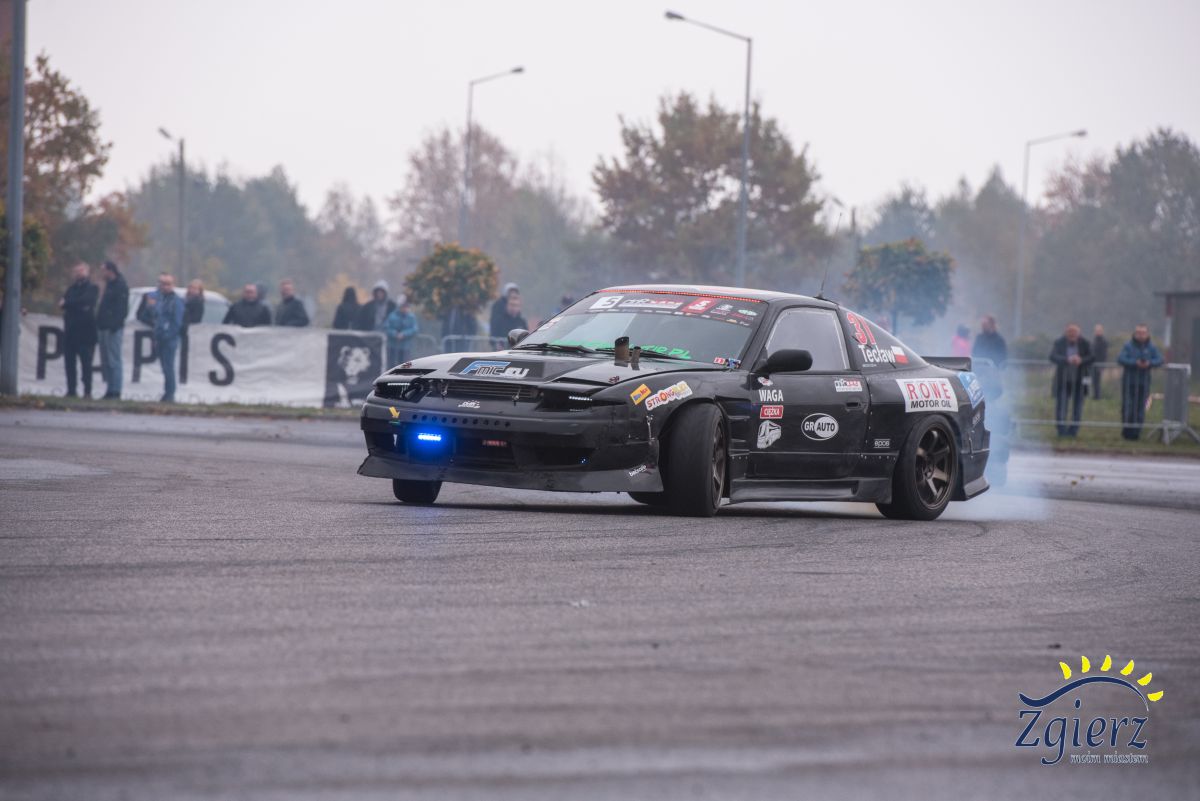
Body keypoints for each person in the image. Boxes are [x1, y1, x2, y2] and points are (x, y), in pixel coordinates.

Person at [137, 273, 185, 402]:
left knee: (168, 367)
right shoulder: (158, 299)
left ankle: (170, 394)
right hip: (159, 337)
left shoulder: (176, 301)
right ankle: (167, 393)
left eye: (168, 284)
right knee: (164, 367)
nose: (165, 287)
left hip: (169, 339)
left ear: (173, 285)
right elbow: (149, 317)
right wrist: (150, 307)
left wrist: (167, 335)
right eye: (163, 284)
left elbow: (177, 323)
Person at [1117, 324, 1164, 440]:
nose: (1141, 335)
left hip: (1144, 382)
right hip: (1129, 382)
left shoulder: (1151, 347)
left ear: (1147, 334)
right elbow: (1121, 358)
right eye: (1138, 333)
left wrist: (1149, 363)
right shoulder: (1128, 346)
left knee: (1140, 408)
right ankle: (1127, 431)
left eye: (1143, 333)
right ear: (1135, 333)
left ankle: (1136, 432)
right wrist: (1135, 363)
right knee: (1128, 406)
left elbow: (1160, 359)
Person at [59, 262, 99, 398]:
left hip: (86, 334)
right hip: (70, 332)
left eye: (81, 270)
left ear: (87, 272)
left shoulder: (93, 288)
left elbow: (86, 301)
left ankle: (87, 391)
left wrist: (68, 304)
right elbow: (64, 304)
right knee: (70, 364)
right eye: (76, 271)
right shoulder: (71, 289)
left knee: (86, 365)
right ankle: (71, 390)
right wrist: (73, 304)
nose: (78, 273)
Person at [1049, 323, 1094, 437]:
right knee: (1061, 406)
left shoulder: (1085, 343)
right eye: (1070, 332)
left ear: (1079, 333)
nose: (1072, 334)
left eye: (1074, 332)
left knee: (1078, 407)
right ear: (1066, 332)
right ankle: (1061, 430)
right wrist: (1066, 360)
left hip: (1080, 380)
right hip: (1063, 380)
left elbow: (1092, 357)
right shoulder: (1059, 342)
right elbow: (1052, 356)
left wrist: (1081, 360)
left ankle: (1073, 431)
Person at [94, 261, 129, 400]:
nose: (102, 273)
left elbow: (122, 308)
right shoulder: (109, 285)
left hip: (113, 328)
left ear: (110, 270)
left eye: (104, 270)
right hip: (103, 327)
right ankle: (109, 388)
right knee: (106, 360)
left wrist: (115, 324)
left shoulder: (120, 285)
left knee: (114, 359)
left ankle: (116, 390)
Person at [384, 294, 419, 366]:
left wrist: (404, 334)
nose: (405, 308)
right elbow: (387, 327)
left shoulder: (411, 317)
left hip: (406, 346)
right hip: (392, 346)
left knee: (405, 365)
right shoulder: (392, 316)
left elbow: (414, 329)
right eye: (403, 306)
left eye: (406, 306)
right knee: (391, 365)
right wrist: (394, 334)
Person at [1091, 324, 1109, 400]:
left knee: (1097, 381)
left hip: (1099, 364)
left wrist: (1102, 366)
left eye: (1099, 330)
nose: (1097, 332)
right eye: (1096, 330)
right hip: (1093, 364)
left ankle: (1097, 396)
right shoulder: (1094, 340)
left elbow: (1104, 355)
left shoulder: (1103, 341)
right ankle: (1093, 395)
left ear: (1102, 331)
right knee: (1092, 380)